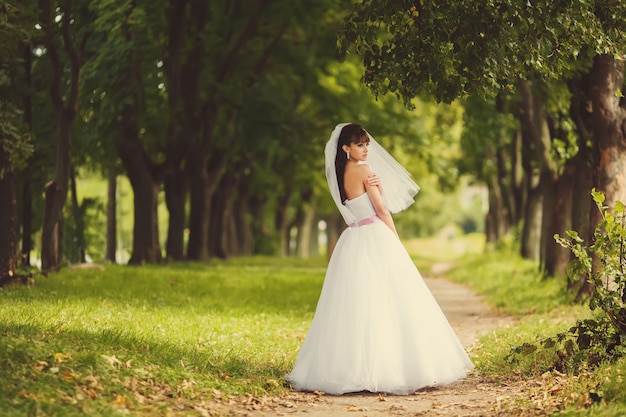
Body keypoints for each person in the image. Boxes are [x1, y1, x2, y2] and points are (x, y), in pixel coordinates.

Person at [286, 123, 473, 395]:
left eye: (366, 144)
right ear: (346, 148)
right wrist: (395, 239)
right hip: (375, 234)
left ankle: (351, 368)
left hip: (353, 239)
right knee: (391, 298)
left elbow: (357, 205)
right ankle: (396, 368)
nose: (365, 149)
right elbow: (382, 209)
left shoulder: (340, 173)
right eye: (359, 144)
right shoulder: (364, 170)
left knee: (355, 304)